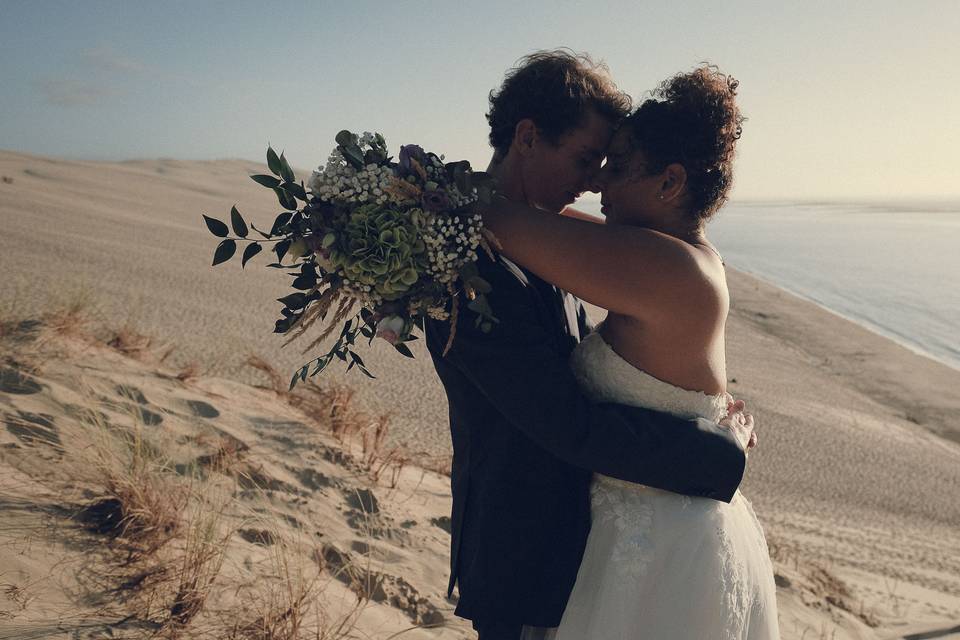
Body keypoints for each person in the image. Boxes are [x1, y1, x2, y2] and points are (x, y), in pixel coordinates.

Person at [424, 50, 758, 640]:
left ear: (671, 180)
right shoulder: (469, 271)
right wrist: (717, 448)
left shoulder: (603, 253)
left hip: (626, 555)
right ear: (527, 136)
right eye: (586, 159)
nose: (594, 180)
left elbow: (499, 212)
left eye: (610, 164)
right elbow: (569, 425)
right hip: (527, 559)